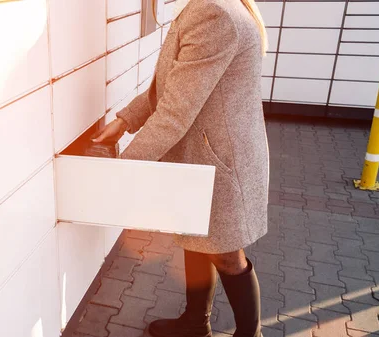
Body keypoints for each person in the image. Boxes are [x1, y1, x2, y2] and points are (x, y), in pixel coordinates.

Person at [92, 0, 269, 336]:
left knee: (227, 255)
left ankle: (250, 334)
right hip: (210, 154)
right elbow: (173, 86)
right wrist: (125, 120)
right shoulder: (213, 7)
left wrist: (123, 169)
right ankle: (195, 323)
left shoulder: (214, 13)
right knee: (195, 237)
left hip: (219, 162)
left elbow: (175, 111)